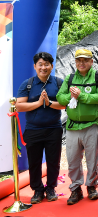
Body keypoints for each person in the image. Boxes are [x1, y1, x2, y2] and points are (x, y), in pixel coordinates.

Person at [56, 49, 98, 205]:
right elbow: (60, 97)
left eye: (85, 60)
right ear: (75, 62)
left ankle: (91, 186)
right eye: (79, 60)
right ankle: (75, 188)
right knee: (72, 160)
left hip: (92, 125)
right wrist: (71, 96)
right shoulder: (70, 78)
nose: (82, 63)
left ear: (91, 62)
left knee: (92, 159)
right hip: (72, 127)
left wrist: (81, 96)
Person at [16, 52, 66, 204]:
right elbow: (19, 106)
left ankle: (51, 188)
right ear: (35, 66)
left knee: (53, 161)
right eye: (40, 64)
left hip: (54, 129)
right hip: (33, 130)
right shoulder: (28, 84)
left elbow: (64, 104)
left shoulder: (59, 83)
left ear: (52, 66)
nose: (43, 67)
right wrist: (38, 103)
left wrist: (49, 103)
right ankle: (37, 190)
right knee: (34, 161)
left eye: (46, 64)